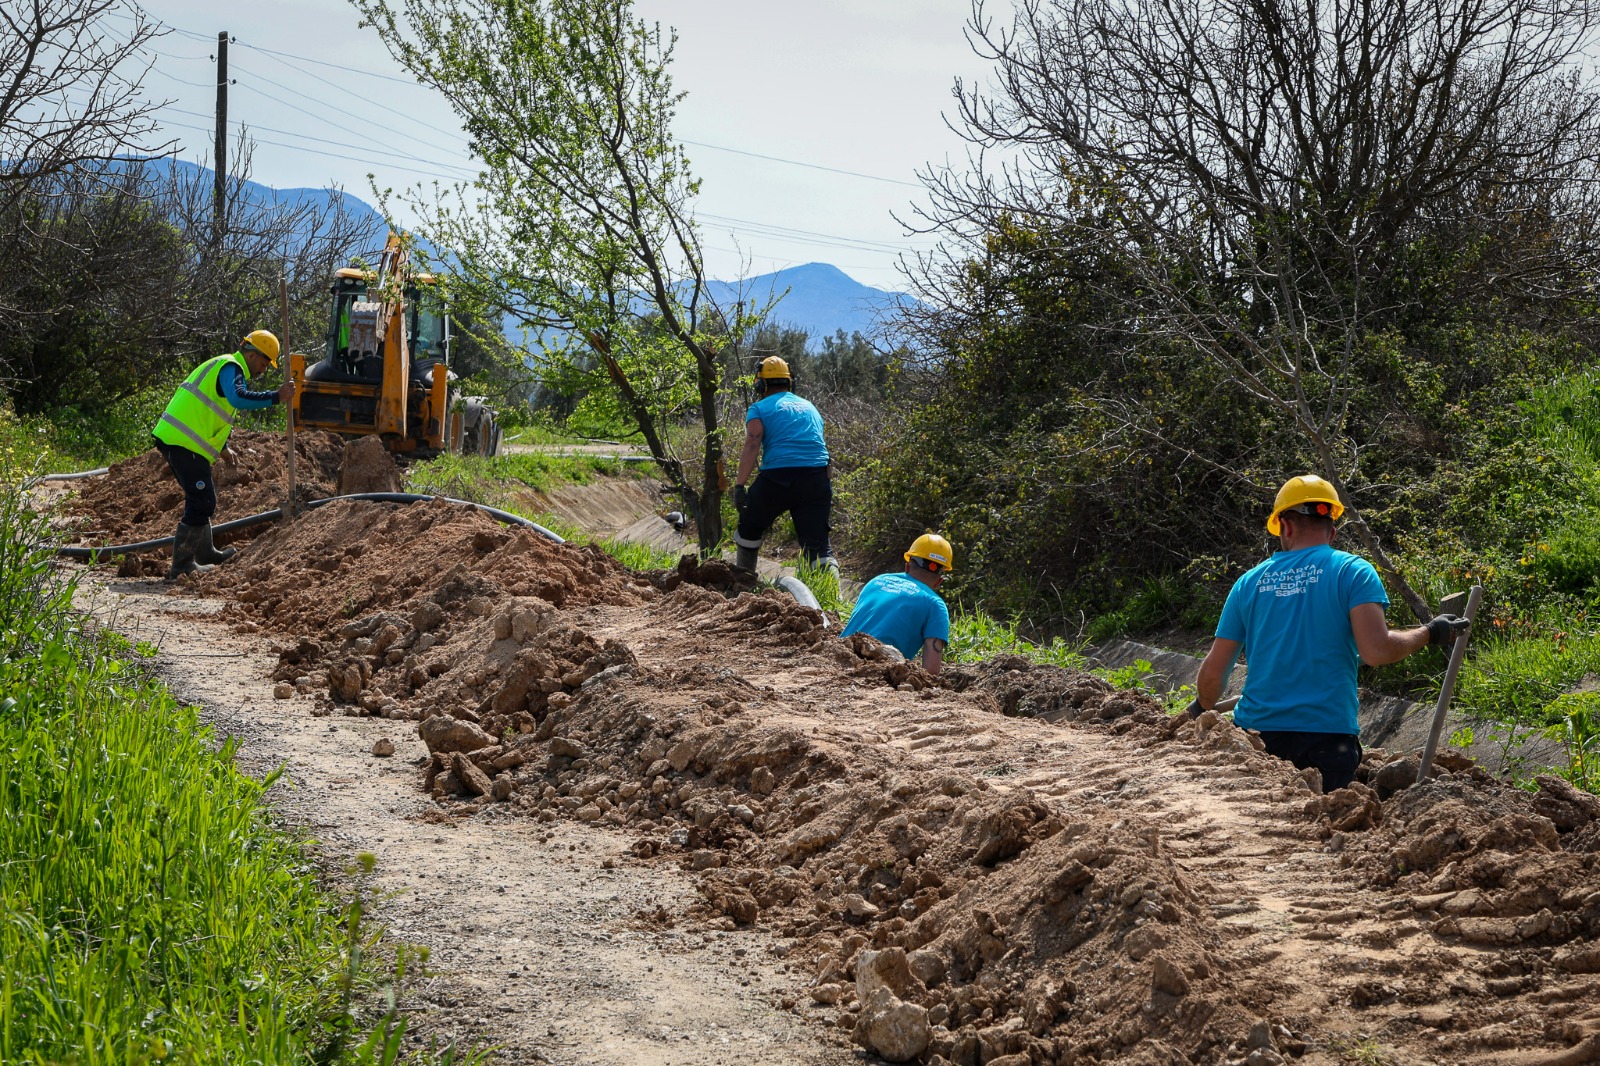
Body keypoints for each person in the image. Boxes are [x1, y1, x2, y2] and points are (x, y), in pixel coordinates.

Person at [1191, 475, 1470, 791]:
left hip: (1257, 739)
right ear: (1332, 530)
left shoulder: (1248, 583)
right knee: (1322, 828)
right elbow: (1376, 651)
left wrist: (1204, 705)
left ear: (1285, 526)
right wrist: (1429, 633)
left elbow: (1214, 674)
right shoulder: (1353, 571)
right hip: (1327, 740)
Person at [151, 330, 294, 580]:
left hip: (182, 440)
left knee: (201, 498)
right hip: (181, 441)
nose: (262, 370)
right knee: (203, 500)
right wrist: (275, 397)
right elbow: (237, 398)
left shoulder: (227, 366)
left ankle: (205, 554)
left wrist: (223, 447)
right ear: (251, 354)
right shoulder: (231, 366)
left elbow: (212, 410)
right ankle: (182, 566)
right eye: (262, 363)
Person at [732, 355, 835, 573]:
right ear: (790, 382)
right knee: (818, 548)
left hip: (777, 478)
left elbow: (752, 442)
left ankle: (743, 580)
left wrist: (740, 486)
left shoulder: (759, 408)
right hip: (816, 478)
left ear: (761, 384)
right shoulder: (810, 407)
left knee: (749, 526)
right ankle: (830, 599)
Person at [841, 533, 954, 675]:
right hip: (873, 673)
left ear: (907, 567)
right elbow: (931, 671)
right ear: (939, 582)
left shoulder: (876, 581)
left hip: (834, 657)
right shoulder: (935, 605)